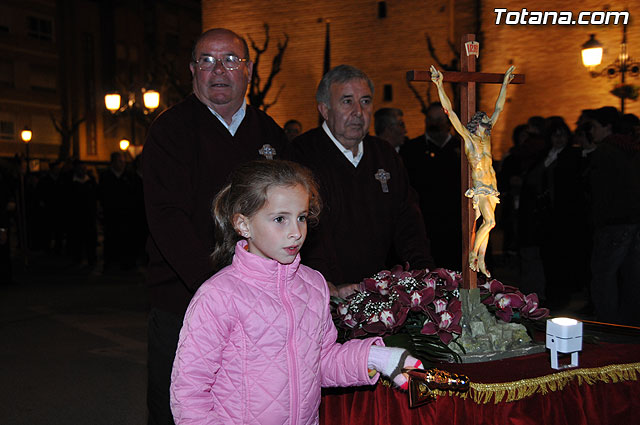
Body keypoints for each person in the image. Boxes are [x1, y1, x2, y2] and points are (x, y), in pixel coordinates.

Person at [170, 159, 422, 424]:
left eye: (301, 217)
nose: (295, 232)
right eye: (280, 219)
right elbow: (189, 392)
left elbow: (321, 361)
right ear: (243, 225)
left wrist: (378, 357)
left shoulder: (313, 286)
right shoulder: (218, 296)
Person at [143, 28, 288, 425]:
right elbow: (166, 218)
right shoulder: (170, 131)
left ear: (249, 70)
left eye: (230, 60)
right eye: (207, 60)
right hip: (185, 303)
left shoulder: (270, 134)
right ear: (193, 70)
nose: (218, 69)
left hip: (261, 308)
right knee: (183, 410)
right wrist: (219, 288)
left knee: (253, 407)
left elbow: (287, 217)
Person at [287, 65, 433, 298]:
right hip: (323, 291)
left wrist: (422, 275)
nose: (358, 112)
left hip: (380, 290)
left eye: (365, 102)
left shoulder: (384, 155)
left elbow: (409, 221)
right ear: (324, 109)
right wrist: (326, 285)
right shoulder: (300, 155)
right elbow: (302, 229)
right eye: (347, 102)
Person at [430, 65, 514, 277]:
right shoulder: (469, 139)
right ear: (476, 125)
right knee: (490, 222)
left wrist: (504, 84)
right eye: (485, 122)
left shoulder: (486, 138)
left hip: (491, 186)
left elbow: (498, 109)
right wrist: (440, 85)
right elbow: (450, 113)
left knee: (488, 226)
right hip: (480, 186)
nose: (488, 124)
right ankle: (473, 255)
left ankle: (482, 260)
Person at [400, 102, 462, 271]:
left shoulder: (463, 150)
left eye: (440, 119)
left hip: (456, 227)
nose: (435, 123)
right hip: (423, 226)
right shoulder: (411, 150)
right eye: (431, 119)